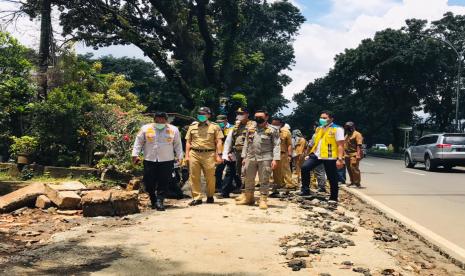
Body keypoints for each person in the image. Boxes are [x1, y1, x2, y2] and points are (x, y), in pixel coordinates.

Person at [131, 112, 183, 211]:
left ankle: (160, 201)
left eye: (162, 119)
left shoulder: (173, 129)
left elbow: (177, 144)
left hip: (167, 160)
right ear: (154, 119)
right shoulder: (145, 128)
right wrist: (135, 155)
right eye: (157, 119)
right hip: (149, 159)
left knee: (164, 181)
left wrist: (180, 157)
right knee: (149, 181)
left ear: (166, 120)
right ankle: (153, 198)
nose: (160, 121)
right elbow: (138, 142)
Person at [237, 110, 280, 209]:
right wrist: (244, 157)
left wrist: (275, 159)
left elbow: (276, 145)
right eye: (256, 116)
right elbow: (247, 143)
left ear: (266, 117)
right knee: (248, 178)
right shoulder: (251, 128)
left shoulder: (272, 130)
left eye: (260, 117)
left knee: (264, 179)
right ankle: (249, 198)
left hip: (265, 158)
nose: (257, 118)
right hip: (251, 157)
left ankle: (263, 199)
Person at [300, 111, 345, 202]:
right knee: (305, 167)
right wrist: (310, 154)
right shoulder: (319, 128)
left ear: (331, 119)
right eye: (321, 117)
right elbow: (317, 142)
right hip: (317, 154)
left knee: (331, 176)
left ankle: (333, 197)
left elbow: (340, 145)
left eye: (325, 118)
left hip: (329, 156)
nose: (322, 119)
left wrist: (340, 159)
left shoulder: (337, 129)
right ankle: (305, 191)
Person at [185, 107, 224, 206]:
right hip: (194, 153)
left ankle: (210, 195)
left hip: (209, 154)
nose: (201, 115)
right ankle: (197, 198)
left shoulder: (215, 126)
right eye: (199, 114)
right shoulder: (192, 126)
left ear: (209, 115)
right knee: (194, 176)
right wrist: (187, 155)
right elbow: (188, 142)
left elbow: (219, 141)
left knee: (210, 176)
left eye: (203, 113)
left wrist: (219, 155)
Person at [223, 108, 254, 200]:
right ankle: (229, 191)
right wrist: (228, 151)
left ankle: (246, 193)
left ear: (247, 114)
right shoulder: (235, 126)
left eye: (242, 113)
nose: (239, 115)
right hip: (236, 151)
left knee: (246, 172)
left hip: (248, 152)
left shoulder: (252, 125)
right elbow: (230, 140)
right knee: (234, 171)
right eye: (238, 113)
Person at [270, 118, 293, 196]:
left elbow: (289, 144)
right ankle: (277, 185)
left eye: (276, 124)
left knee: (285, 170)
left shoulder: (286, 132)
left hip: (283, 154)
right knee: (275, 171)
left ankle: (289, 186)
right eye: (273, 124)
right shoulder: (269, 131)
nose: (274, 126)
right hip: (272, 154)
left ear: (281, 124)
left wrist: (290, 155)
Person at [344, 121, 364, 187]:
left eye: (349, 127)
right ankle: (352, 181)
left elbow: (359, 145)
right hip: (347, 154)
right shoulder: (347, 134)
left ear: (353, 127)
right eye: (346, 127)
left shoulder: (357, 134)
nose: (347, 129)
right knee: (349, 168)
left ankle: (357, 183)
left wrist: (358, 154)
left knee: (354, 168)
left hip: (354, 153)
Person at [214, 115, 231, 192]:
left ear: (226, 120)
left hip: (230, 152)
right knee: (218, 170)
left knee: (231, 171)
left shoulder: (232, 128)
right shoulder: (216, 129)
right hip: (220, 152)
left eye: (221, 122)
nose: (219, 124)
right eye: (218, 122)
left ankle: (236, 186)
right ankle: (218, 186)